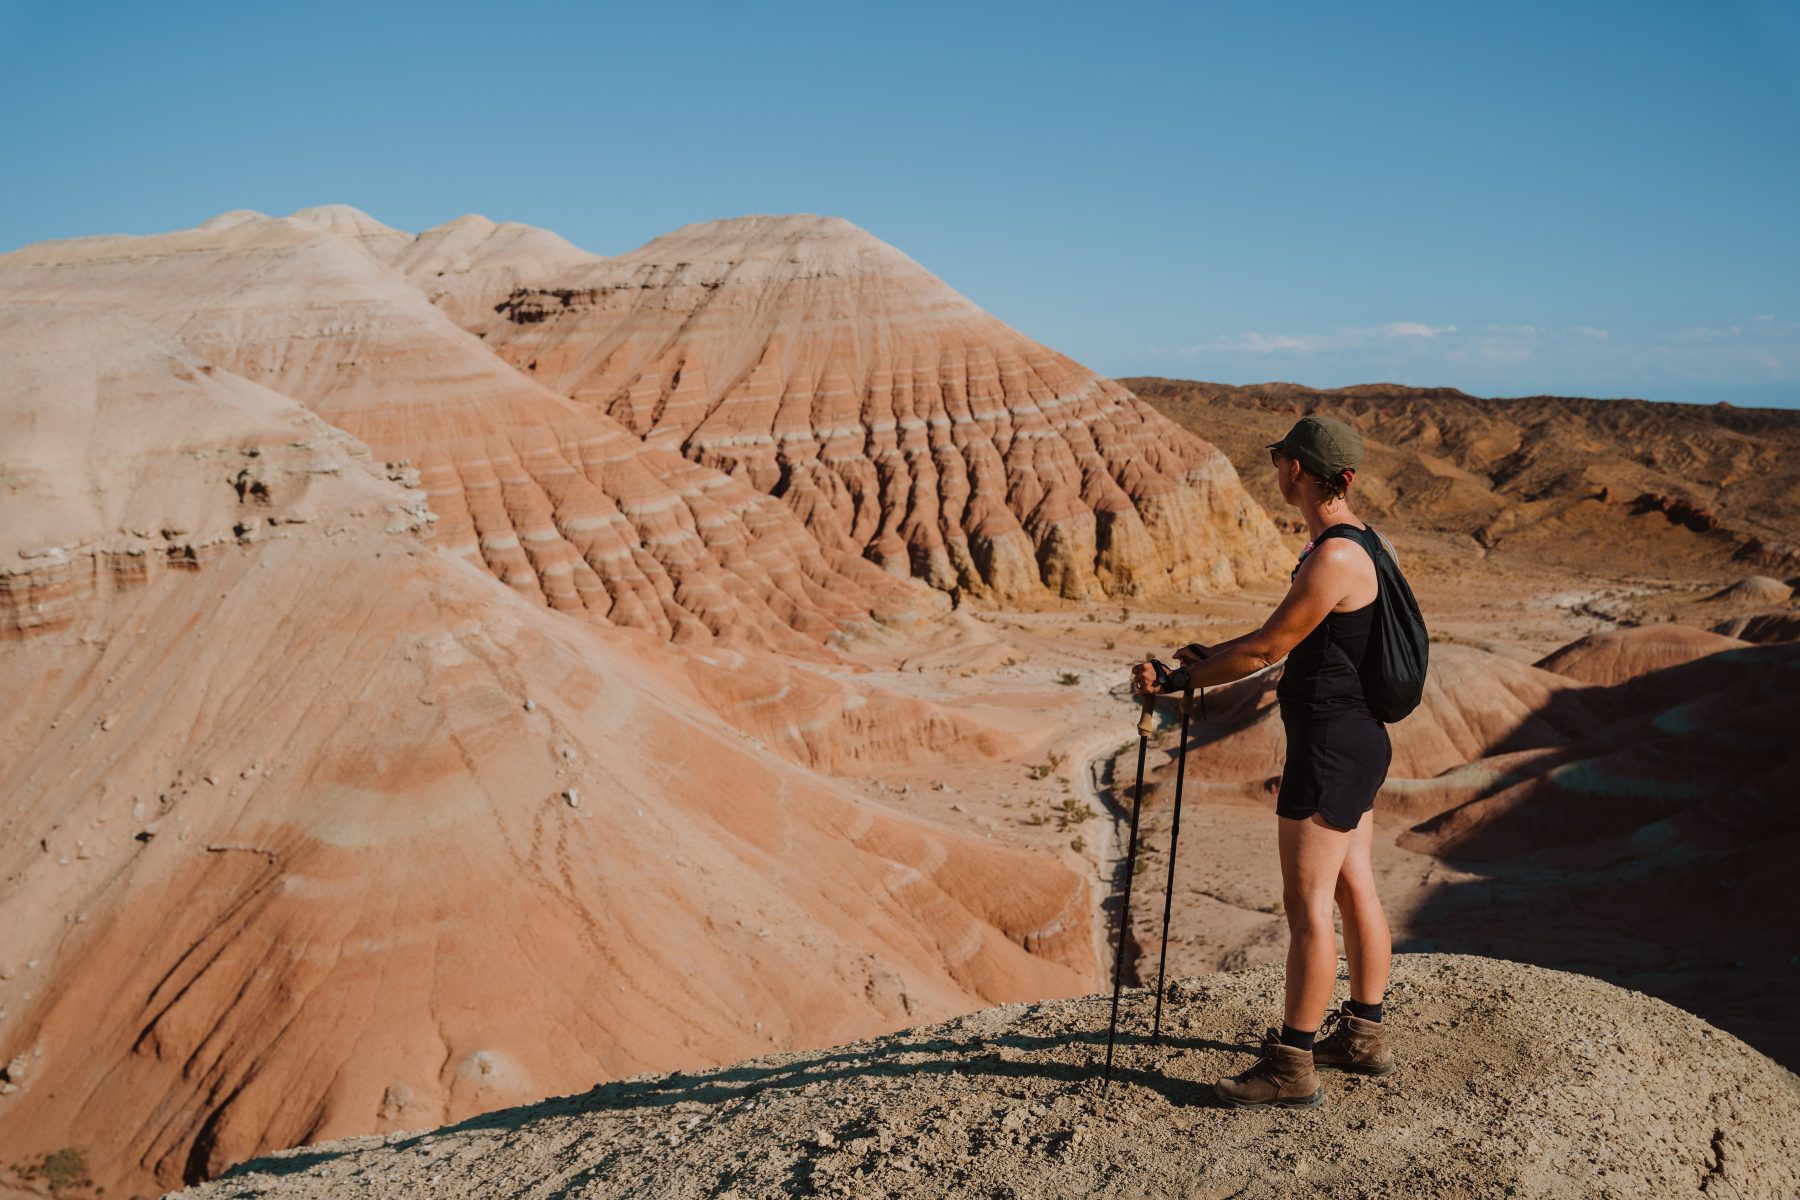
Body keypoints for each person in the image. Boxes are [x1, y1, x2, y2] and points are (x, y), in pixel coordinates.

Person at [1132, 413, 1397, 1109]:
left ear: (1296, 470)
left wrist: (1180, 681)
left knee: (1307, 907)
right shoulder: (1361, 541)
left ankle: (1291, 1066)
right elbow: (1282, 634)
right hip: (1358, 739)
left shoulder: (1334, 556)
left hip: (1330, 747)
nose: (1277, 468)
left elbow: (1267, 650)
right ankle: (1363, 1036)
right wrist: (1210, 655)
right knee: (1355, 887)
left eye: (1281, 459)